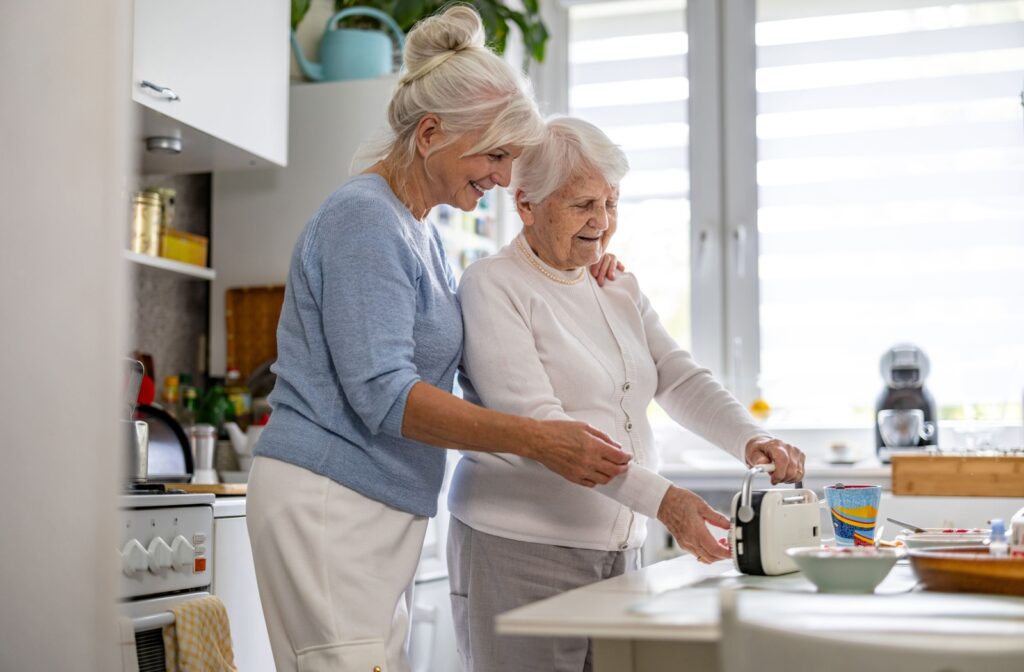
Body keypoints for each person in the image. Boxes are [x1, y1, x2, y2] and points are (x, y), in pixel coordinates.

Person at [245, 9, 632, 672]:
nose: (505, 178)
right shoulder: (365, 219)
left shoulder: (418, 229)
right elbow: (384, 396)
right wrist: (537, 438)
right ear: (429, 134)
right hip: (329, 500)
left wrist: (576, 259)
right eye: (496, 155)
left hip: (370, 502)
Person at [448, 116, 807, 672]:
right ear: (526, 204)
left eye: (611, 203)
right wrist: (666, 502)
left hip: (619, 551)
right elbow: (545, 429)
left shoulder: (615, 284)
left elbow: (678, 377)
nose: (602, 223)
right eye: (583, 205)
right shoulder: (493, 286)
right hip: (519, 548)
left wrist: (750, 438)